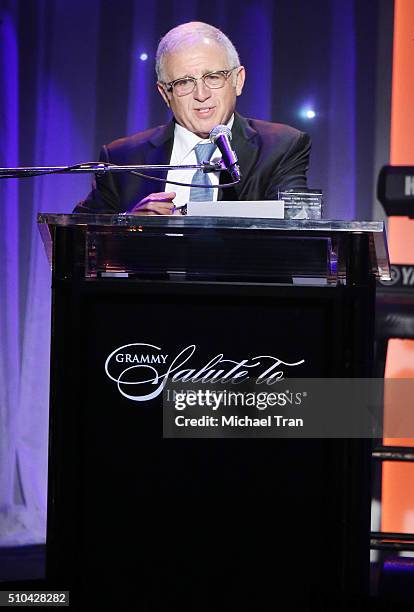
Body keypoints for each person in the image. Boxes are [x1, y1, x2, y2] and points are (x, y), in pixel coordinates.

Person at [74, 21, 311, 215]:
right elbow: (76, 246)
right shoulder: (123, 159)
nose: (201, 94)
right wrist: (129, 226)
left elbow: (296, 228)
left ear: (237, 80)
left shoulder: (280, 146)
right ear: (165, 93)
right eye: (184, 82)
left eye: (213, 77)